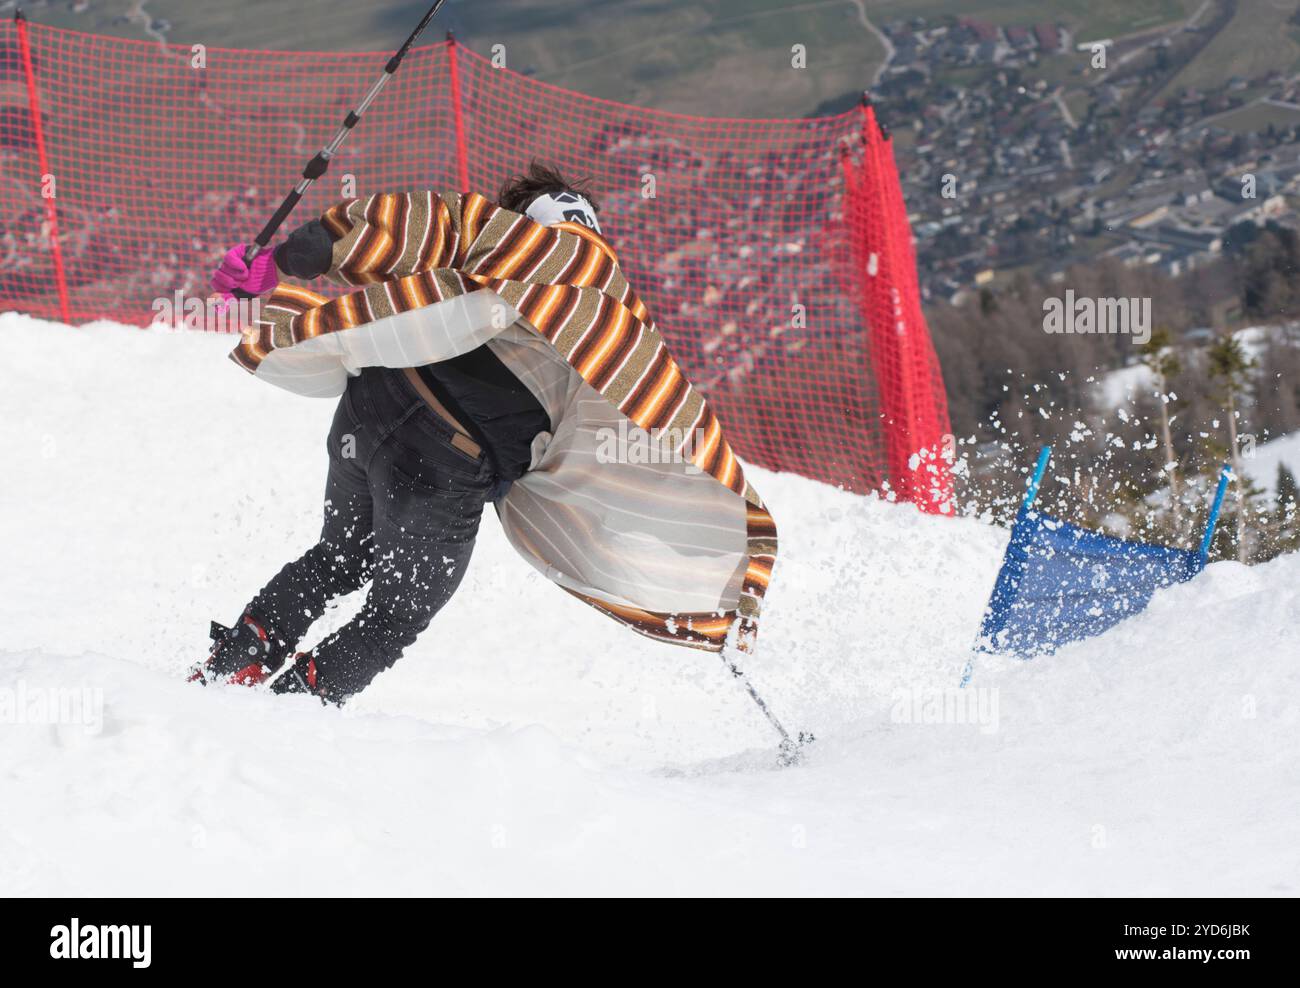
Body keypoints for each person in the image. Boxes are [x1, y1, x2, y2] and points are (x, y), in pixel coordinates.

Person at [194, 161, 777, 704]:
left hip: (370, 403)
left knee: (339, 557)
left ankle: (233, 664)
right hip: (445, 457)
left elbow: (425, 223)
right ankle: (289, 710)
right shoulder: (620, 318)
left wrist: (298, 254)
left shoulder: (504, 240)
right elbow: (668, 418)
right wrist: (722, 547)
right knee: (398, 614)